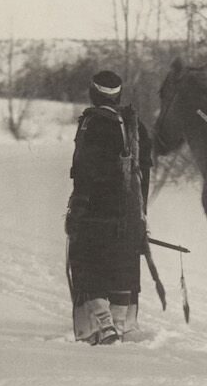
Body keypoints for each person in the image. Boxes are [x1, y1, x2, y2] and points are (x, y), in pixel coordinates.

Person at [65, 70, 153, 344]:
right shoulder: (137, 126)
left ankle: (103, 326)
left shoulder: (91, 123)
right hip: (130, 211)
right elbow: (145, 174)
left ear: (93, 93)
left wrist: (77, 209)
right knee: (123, 265)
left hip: (97, 210)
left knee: (88, 262)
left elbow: (84, 172)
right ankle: (120, 323)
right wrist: (140, 213)